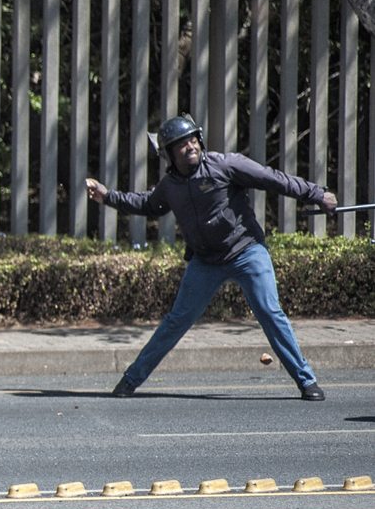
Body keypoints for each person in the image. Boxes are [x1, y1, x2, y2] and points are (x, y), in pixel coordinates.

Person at [85, 113, 338, 401]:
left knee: (270, 313)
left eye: (193, 140)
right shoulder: (171, 186)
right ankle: (130, 381)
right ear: (169, 154)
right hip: (205, 262)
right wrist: (107, 196)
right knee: (176, 321)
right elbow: (148, 205)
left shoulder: (226, 164)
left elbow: (272, 179)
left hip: (246, 251)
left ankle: (307, 381)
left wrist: (317, 193)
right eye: (181, 144)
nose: (190, 146)